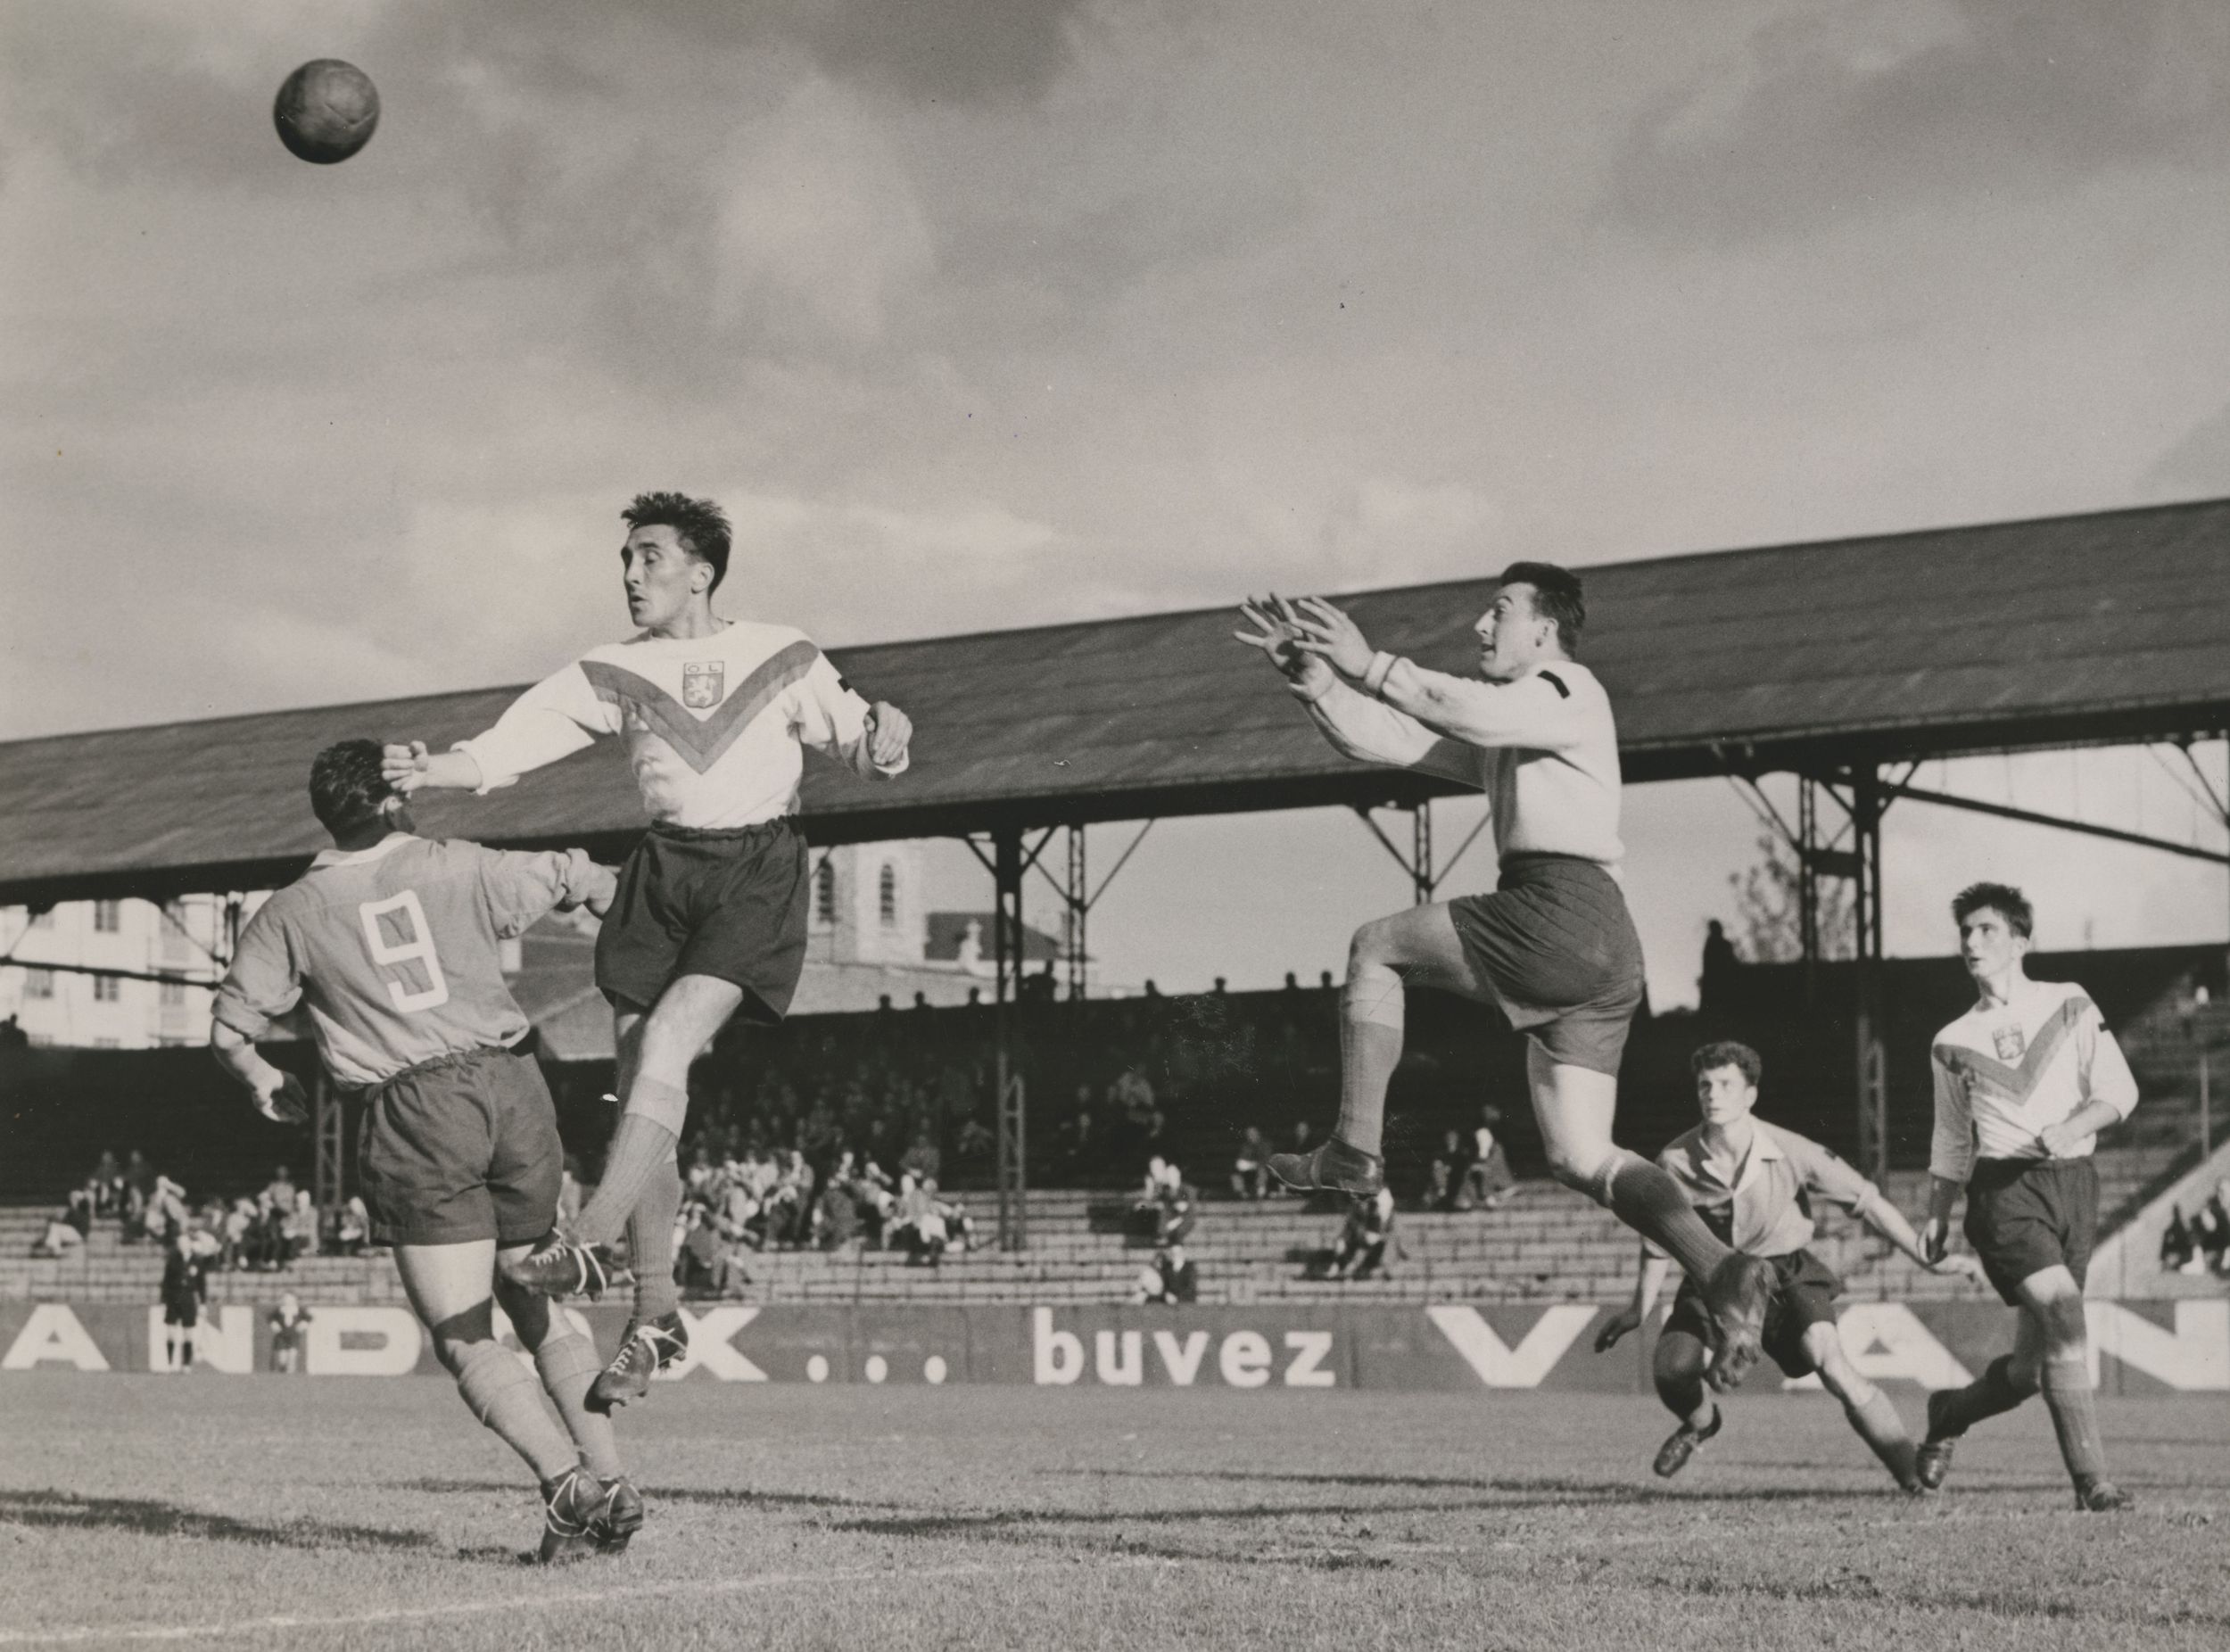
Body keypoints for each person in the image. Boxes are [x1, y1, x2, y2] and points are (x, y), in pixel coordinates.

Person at [384, 491, 912, 1408]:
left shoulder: (781, 652)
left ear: (700, 571)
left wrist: (889, 741)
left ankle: (589, 1236)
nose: (631, 576)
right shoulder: (610, 670)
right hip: (662, 871)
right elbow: (516, 743)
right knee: (638, 1083)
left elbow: (860, 745)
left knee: (667, 1044)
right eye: (625, 560)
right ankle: (658, 1308)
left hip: (755, 868)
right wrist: (437, 768)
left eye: (649, 558)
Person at [1236, 571, 1779, 1385]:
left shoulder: (1564, 686)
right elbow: (1395, 741)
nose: (1481, 624)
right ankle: (1719, 1265)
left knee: (1375, 946)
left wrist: (1365, 658)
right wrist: (1318, 682)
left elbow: (1456, 707)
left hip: (1558, 910)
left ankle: (1354, 1147)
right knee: (1581, 1155)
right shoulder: (1525, 724)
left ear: (1545, 631)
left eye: (1500, 611)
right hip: (1603, 946)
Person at [211, 740, 640, 1561]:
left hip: (414, 1109)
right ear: (396, 797)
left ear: (327, 814)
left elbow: (231, 1033)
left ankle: (565, 1485)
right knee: (534, 1298)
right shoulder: (459, 862)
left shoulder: (292, 912)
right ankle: (611, 1479)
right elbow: (584, 878)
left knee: (462, 1330)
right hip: (515, 1088)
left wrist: (265, 1079)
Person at [1594, 1041, 1982, 1488]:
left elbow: (1869, 1203)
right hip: (1717, 1276)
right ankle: (1702, 1423)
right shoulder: (1675, 1161)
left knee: (1831, 1361)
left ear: (1750, 1095)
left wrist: (1928, 1259)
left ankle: (1910, 1474)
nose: (1713, 1095)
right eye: (1705, 1085)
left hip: (1786, 1273)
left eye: (1725, 1085)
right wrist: (1638, 1309)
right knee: (1671, 1370)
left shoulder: (1791, 1149)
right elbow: (1659, 1240)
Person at [1913, 883, 2140, 1512]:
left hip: (2074, 1188)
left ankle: (1949, 1411)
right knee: (2065, 1311)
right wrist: (1935, 1215)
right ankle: (2092, 1480)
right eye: (1965, 932)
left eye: (1986, 930)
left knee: (2030, 1372)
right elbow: (1953, 1137)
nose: (1971, 942)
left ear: (2020, 940)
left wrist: (2074, 1127)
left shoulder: (2068, 1002)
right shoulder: (1951, 1040)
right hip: (2003, 1191)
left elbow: (2121, 1090)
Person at [159, 1231, 208, 1372]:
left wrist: (203, 1303)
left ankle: (186, 1364)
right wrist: (163, 1301)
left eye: (184, 1243)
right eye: (179, 1243)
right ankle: (169, 1363)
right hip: (173, 1297)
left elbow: (201, 1284)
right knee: (171, 1332)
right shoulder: (172, 1260)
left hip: (188, 1298)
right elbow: (166, 1282)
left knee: (188, 1333)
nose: (181, 1245)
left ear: (189, 1244)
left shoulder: (197, 1261)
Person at [1328, 1187, 1397, 1280]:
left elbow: (1380, 1232)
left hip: (1372, 1243)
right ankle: (1341, 1267)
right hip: (1358, 1241)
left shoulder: (1376, 1215)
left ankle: (1350, 1268)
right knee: (1343, 1243)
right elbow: (1348, 1231)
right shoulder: (1356, 1214)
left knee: (1366, 1245)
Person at [268, 1293, 311, 1374]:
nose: (288, 1302)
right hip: (281, 1336)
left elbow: (309, 1318)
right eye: (286, 1300)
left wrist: (303, 1324)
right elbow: (270, 1318)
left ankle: (291, 1373)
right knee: (282, 1358)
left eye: (290, 1300)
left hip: (294, 1335)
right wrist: (274, 1324)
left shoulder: (298, 1310)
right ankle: (282, 1370)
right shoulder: (279, 1310)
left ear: (294, 1301)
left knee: (292, 1355)